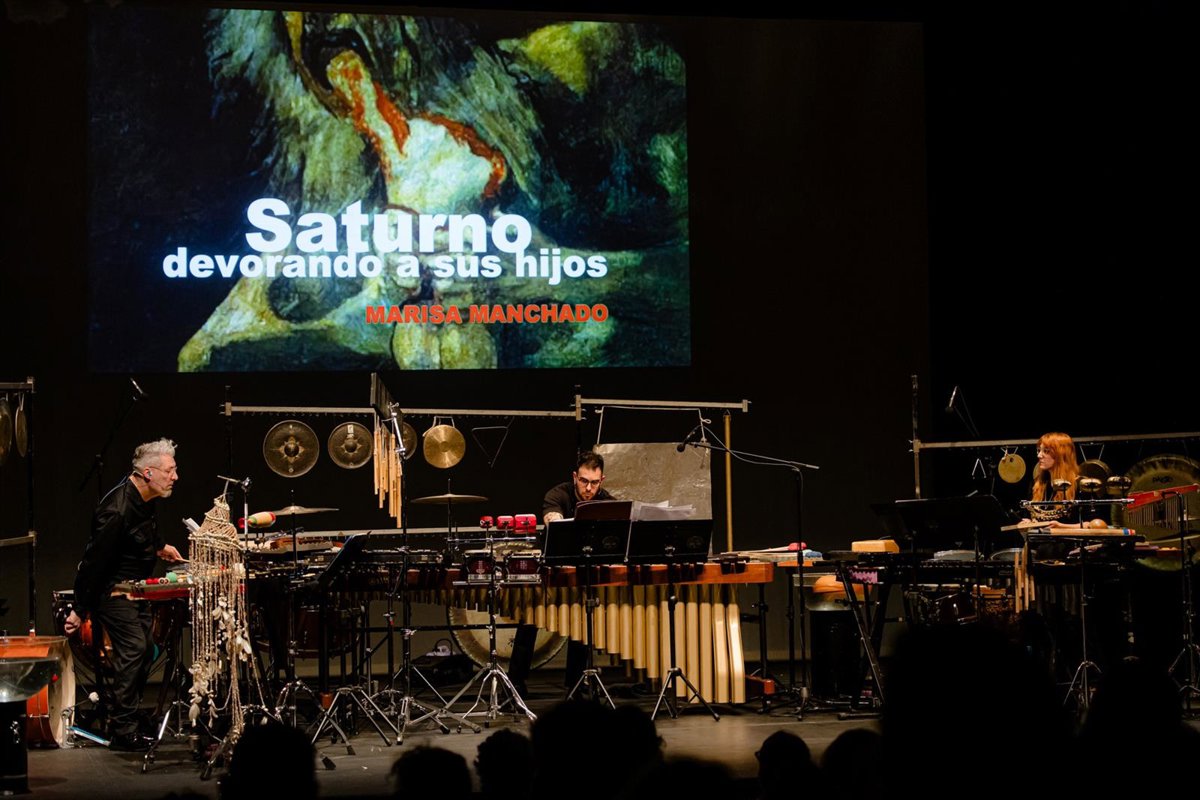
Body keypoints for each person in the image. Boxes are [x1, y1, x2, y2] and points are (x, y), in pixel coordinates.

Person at [64, 438, 184, 751]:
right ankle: (123, 730)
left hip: (135, 588)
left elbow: (144, 528)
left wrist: (159, 546)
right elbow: (94, 563)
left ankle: (127, 714)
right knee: (135, 648)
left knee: (147, 650)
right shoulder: (116, 510)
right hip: (112, 590)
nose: (175, 476)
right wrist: (79, 609)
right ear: (148, 473)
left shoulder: (146, 496)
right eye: (170, 471)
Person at [542, 451, 615, 525]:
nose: (588, 488)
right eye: (584, 481)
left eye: (594, 482)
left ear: (601, 480)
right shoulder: (558, 495)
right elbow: (553, 524)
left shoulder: (608, 503)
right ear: (575, 477)